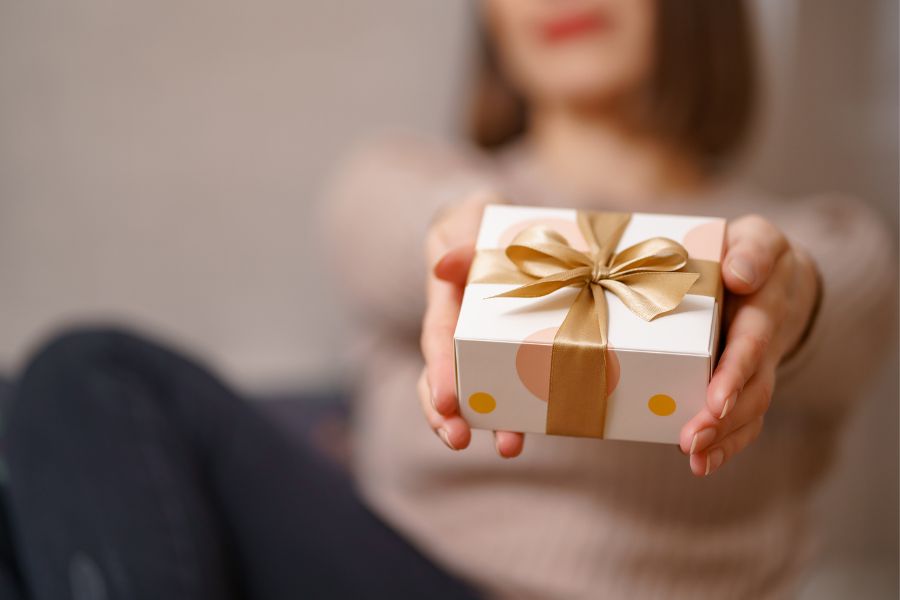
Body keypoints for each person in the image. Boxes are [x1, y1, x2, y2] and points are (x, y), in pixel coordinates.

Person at [1, 1, 895, 600]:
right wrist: (464, 239)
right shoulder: (404, 184)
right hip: (404, 574)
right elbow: (390, 230)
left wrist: (782, 300)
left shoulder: (822, 241)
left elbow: (839, 302)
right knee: (86, 381)